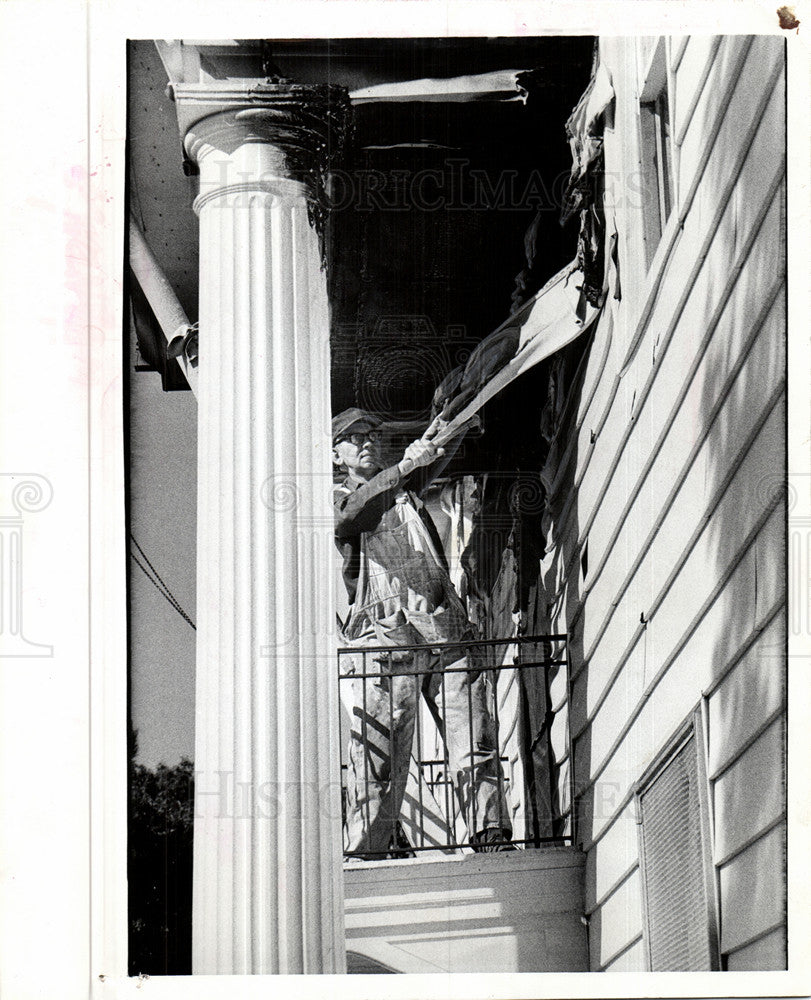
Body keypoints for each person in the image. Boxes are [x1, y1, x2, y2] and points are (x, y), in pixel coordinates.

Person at [332, 406, 513, 856]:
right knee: (380, 758)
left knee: (475, 736)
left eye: (372, 434)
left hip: (445, 629)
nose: (367, 441)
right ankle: (369, 851)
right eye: (354, 438)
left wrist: (455, 428)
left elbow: (431, 459)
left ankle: (490, 834)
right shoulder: (339, 496)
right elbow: (355, 513)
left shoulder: (405, 493)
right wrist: (408, 464)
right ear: (336, 454)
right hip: (386, 638)